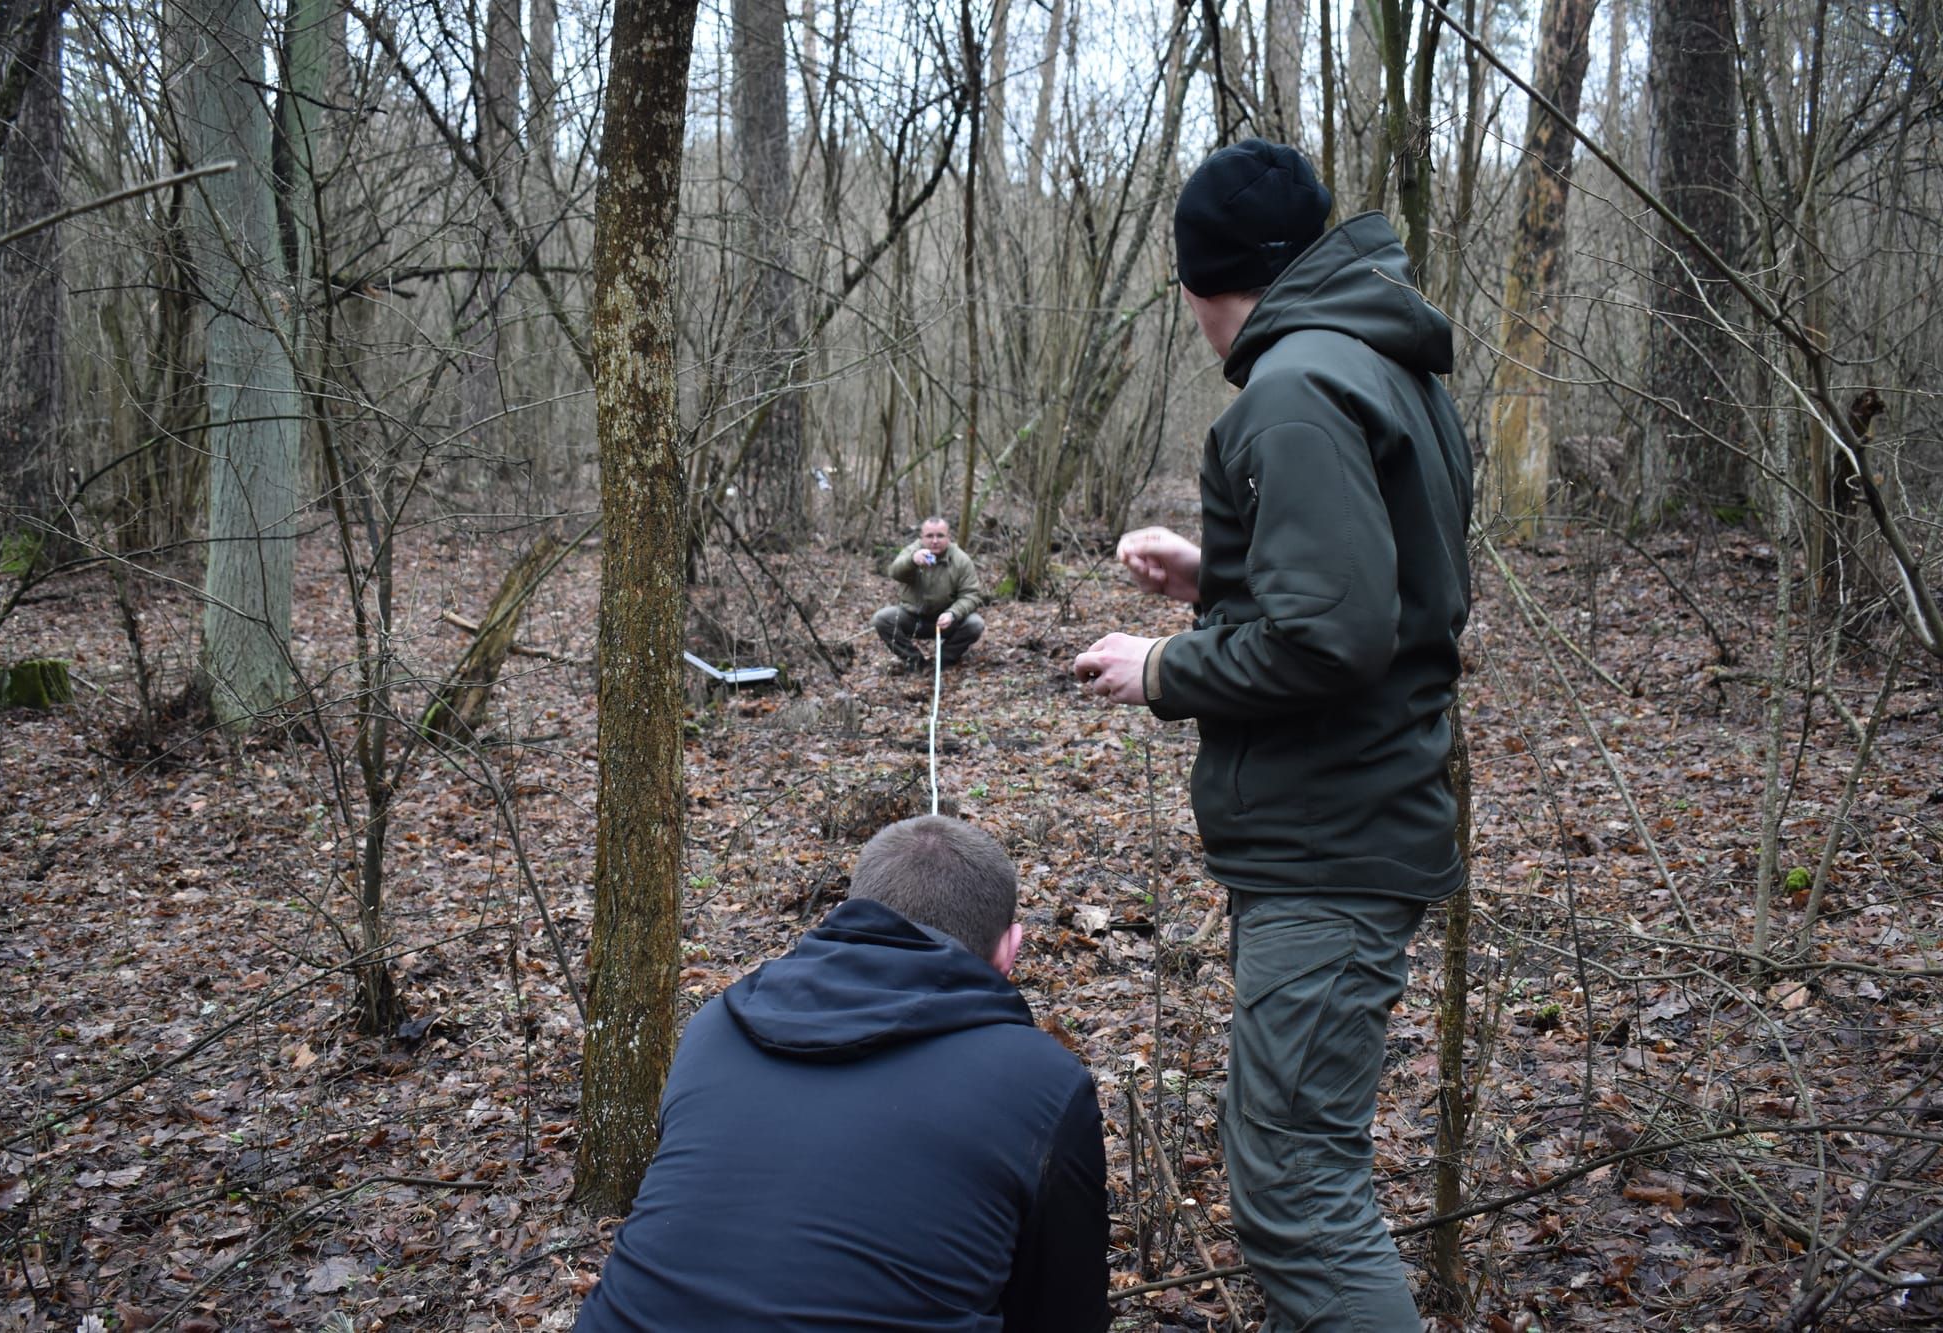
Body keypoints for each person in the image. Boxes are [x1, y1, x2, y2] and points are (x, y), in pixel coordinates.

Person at [1072, 140, 1472, 1331]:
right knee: (1296, 1174)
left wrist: (1160, 666)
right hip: (1348, 823)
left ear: (1202, 283)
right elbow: (1386, 590)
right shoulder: (1376, 362)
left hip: (1330, 843)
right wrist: (1218, 574)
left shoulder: (1293, 390)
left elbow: (1329, 642)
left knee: (1295, 1192)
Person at [574, 815, 1109, 1333]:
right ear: (1010, 949)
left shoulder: (714, 1027)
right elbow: (1062, 1313)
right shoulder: (1042, 1080)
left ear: (847, 914)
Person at [873, 516, 985, 669]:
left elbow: (971, 595)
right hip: (913, 618)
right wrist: (912, 561)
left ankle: (944, 659)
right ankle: (915, 661)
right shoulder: (912, 551)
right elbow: (894, 572)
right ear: (922, 537)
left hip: (946, 620)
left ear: (948, 537)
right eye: (929, 536)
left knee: (975, 624)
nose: (935, 541)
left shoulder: (960, 559)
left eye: (940, 536)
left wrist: (953, 613)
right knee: (882, 619)